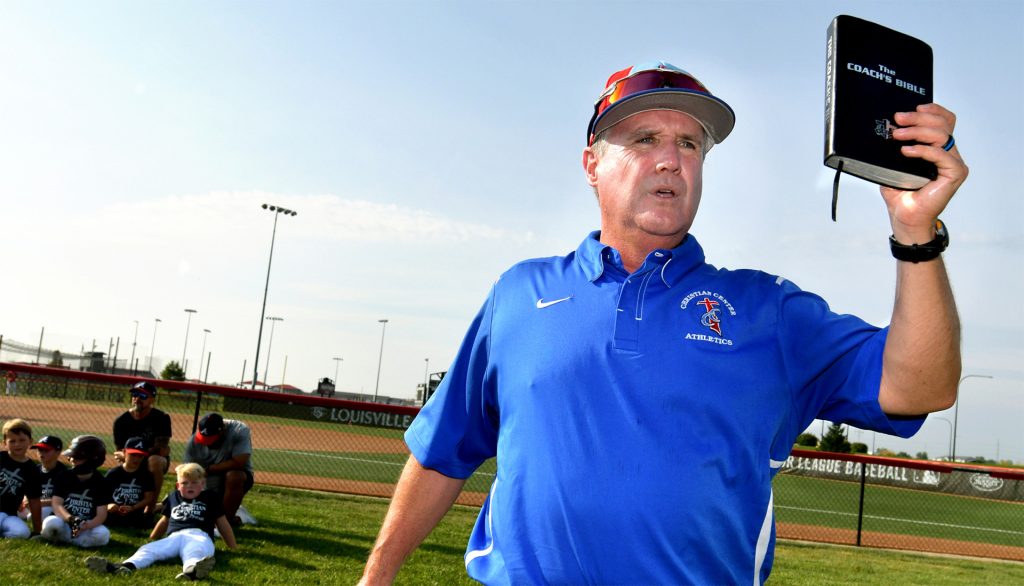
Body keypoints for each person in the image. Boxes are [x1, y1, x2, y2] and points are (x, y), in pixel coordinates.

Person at [359, 61, 967, 585]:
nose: (671, 160)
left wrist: (915, 233)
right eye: (645, 138)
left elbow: (922, 387)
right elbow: (443, 451)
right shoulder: (519, 294)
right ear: (591, 163)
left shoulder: (767, 311)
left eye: (690, 144)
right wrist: (378, 572)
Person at [86, 462, 237, 580]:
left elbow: (222, 523)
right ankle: (126, 566)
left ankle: (192, 570)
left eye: (194, 482)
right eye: (185, 483)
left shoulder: (210, 497)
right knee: (149, 550)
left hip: (199, 535)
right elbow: (165, 520)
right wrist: (152, 538)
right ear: (178, 486)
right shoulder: (173, 497)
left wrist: (232, 547)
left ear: (203, 484)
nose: (189, 486)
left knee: (195, 551)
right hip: (174, 536)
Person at [39, 435, 111, 547]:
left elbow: (101, 515)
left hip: (86, 526)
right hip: (64, 522)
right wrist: (71, 519)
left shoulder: (101, 482)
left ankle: (65, 540)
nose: (71, 460)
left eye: (76, 457)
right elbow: (57, 504)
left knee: (103, 534)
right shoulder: (64, 476)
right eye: (71, 457)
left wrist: (86, 525)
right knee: (51, 523)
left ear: (92, 460)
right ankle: (76, 542)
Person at [183, 413, 254, 526]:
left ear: (222, 431)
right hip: (208, 482)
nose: (207, 442)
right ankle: (228, 517)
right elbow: (186, 473)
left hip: (233, 478)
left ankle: (224, 523)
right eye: (203, 438)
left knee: (234, 476)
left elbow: (240, 461)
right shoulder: (194, 441)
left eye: (210, 439)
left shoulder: (238, 430)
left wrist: (209, 469)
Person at [113, 380, 172, 508]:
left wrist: (134, 455)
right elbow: (119, 451)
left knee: (155, 461)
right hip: (131, 458)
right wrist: (130, 456)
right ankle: (122, 502)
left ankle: (150, 508)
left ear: (152, 400)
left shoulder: (161, 418)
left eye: (143, 396)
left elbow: (162, 450)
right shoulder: (121, 421)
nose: (137, 399)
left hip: (154, 461)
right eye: (135, 394)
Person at [1, 418, 42, 538]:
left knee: (22, 533)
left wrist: (37, 530)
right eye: (12, 441)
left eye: (22, 440)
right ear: (4, 442)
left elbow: (34, 501)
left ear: (30, 441)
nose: (17, 444)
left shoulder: (32, 469)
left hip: (9, 515)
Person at [104, 436, 157, 529]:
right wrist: (109, 505)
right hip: (113, 512)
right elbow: (102, 494)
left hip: (135, 513)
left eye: (140, 456)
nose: (136, 459)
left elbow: (149, 498)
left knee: (145, 523)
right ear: (124, 452)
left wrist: (133, 508)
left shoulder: (146, 475)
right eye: (133, 455)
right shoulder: (113, 473)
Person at [20, 435, 67, 522]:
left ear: (58, 452)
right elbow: (26, 490)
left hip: (51, 507)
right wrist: (25, 499)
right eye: (40, 450)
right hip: (34, 504)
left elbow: (64, 499)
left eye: (46, 450)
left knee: (32, 516)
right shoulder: (34, 470)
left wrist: (37, 503)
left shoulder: (65, 473)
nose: (42, 453)